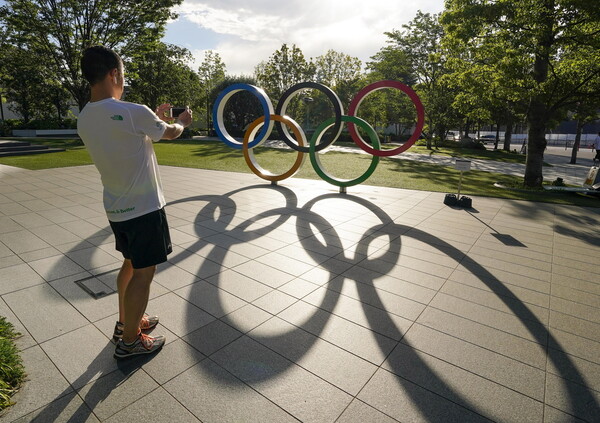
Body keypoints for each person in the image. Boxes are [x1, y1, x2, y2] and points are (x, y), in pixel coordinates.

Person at [78, 46, 192, 359]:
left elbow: (130, 133)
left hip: (117, 209)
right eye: (122, 74)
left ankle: (126, 322)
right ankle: (129, 342)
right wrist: (181, 121)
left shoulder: (84, 118)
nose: (123, 81)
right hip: (144, 209)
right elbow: (168, 133)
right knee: (144, 273)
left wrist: (152, 117)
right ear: (113, 73)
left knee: (129, 264)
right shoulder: (132, 111)